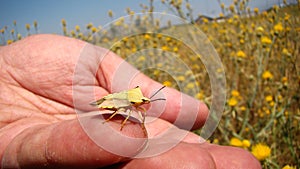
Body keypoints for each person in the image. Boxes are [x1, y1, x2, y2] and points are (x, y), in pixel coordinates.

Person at [0, 34, 261, 168]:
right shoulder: (132, 102)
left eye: (146, 101)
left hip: (117, 102)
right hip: (110, 102)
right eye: (145, 100)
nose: (146, 103)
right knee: (121, 120)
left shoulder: (140, 102)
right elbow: (124, 107)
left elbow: (139, 104)